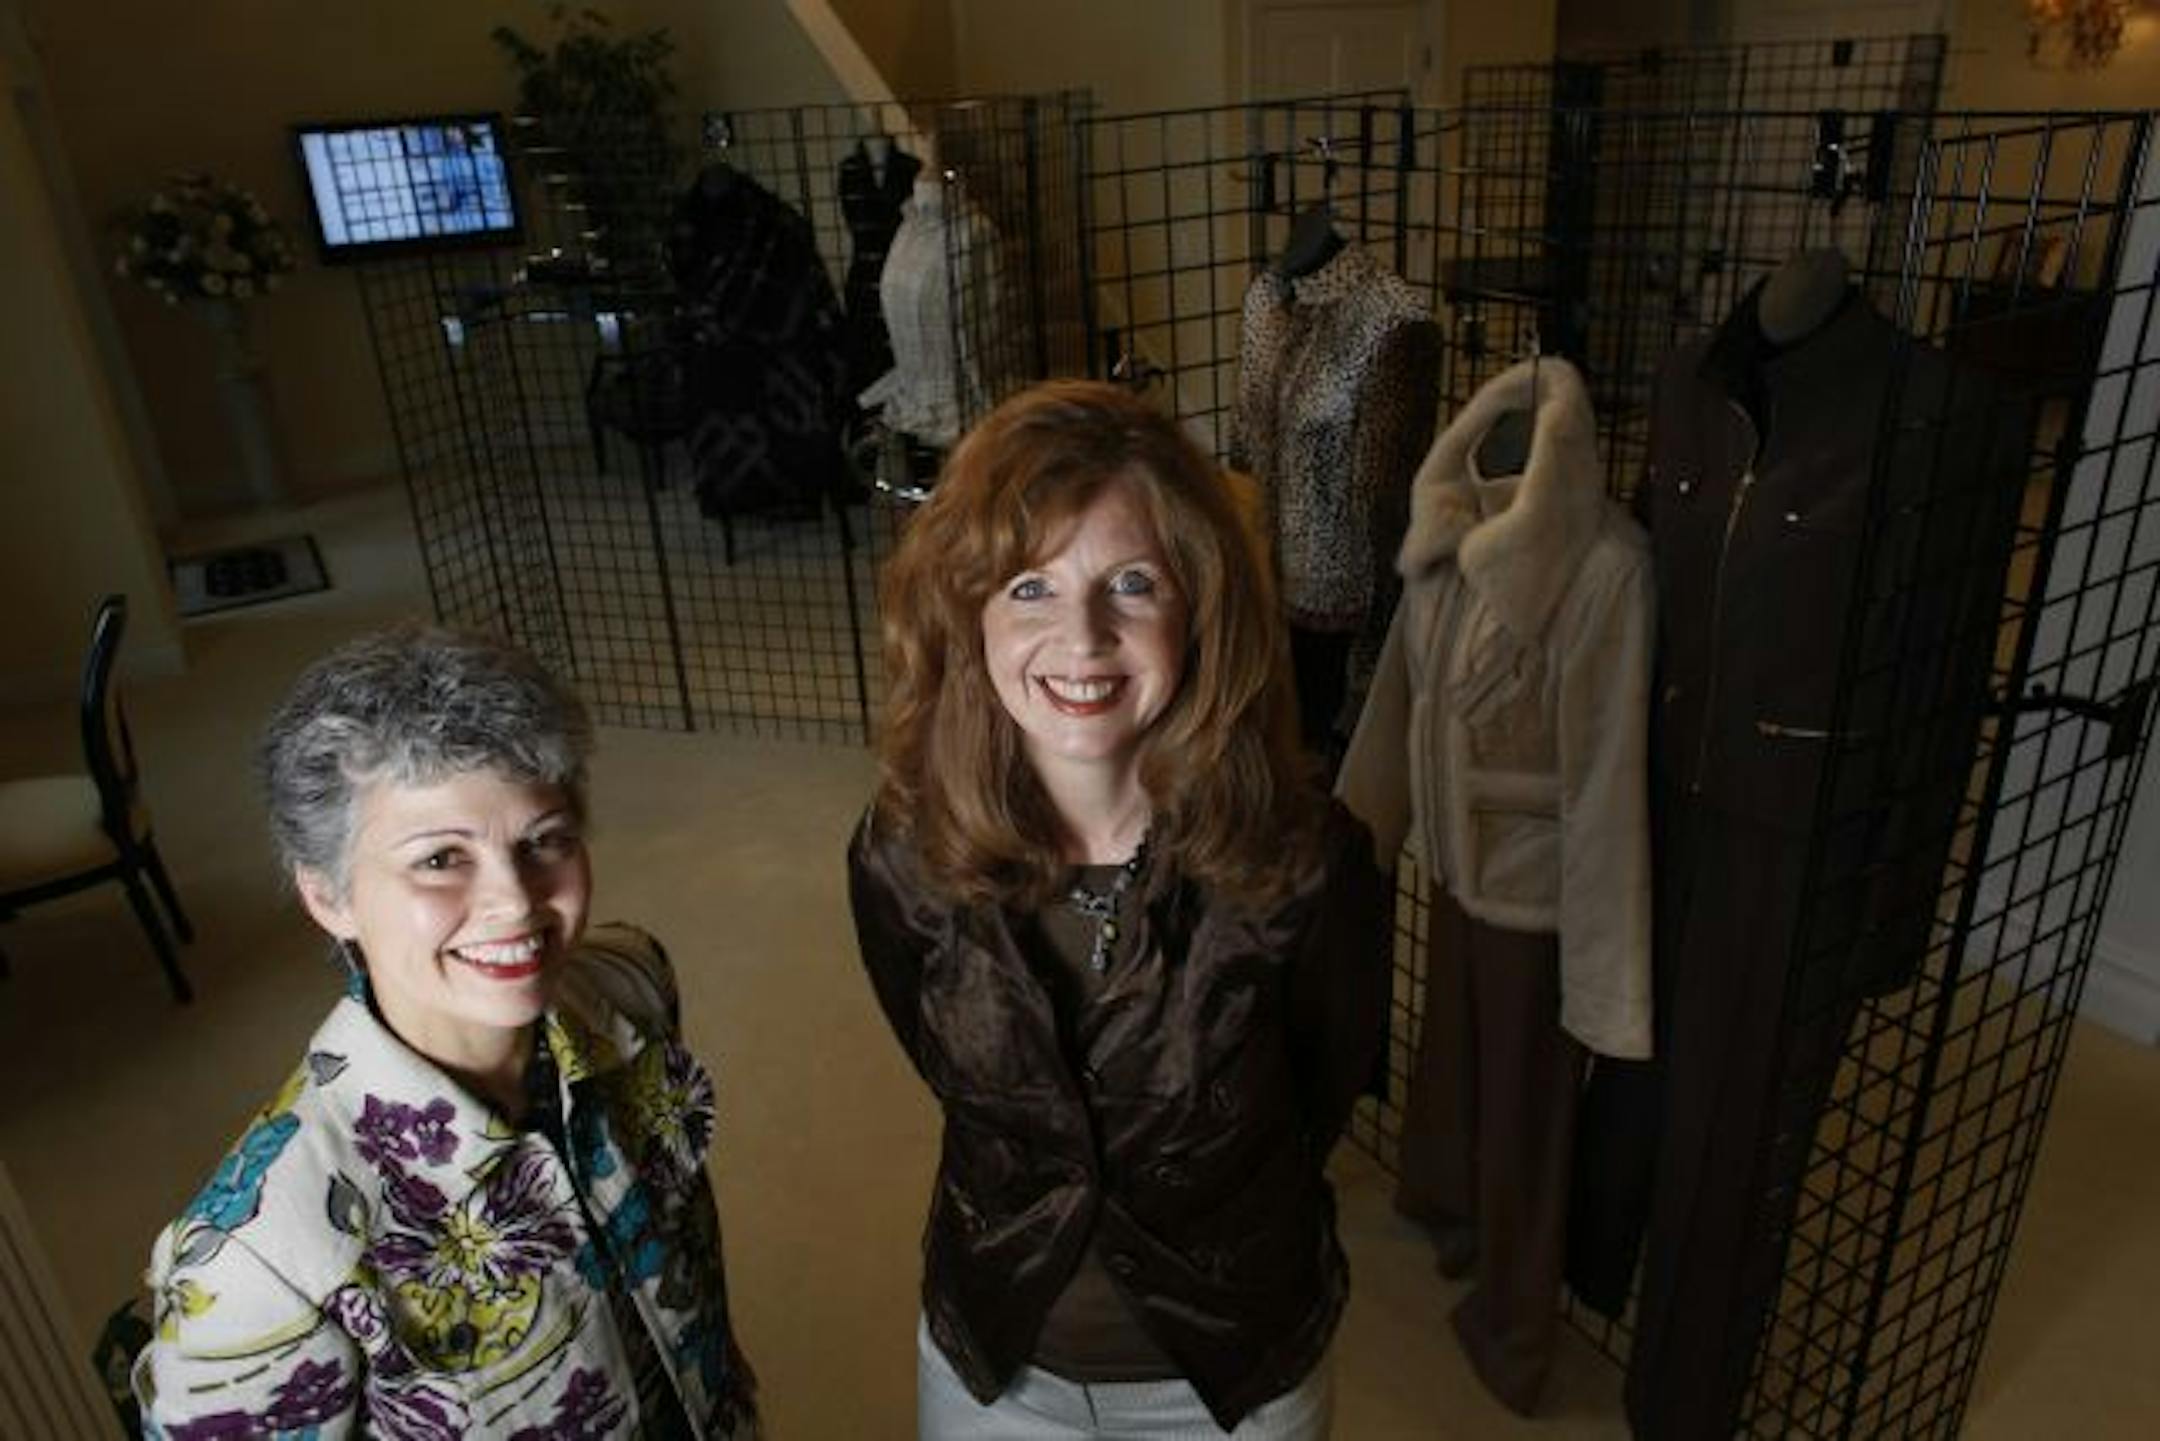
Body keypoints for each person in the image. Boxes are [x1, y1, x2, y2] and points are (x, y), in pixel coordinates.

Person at [849, 380, 1393, 1438]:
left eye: (1132, 583)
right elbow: (936, 1057)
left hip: (1235, 1380)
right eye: (1029, 588)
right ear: (968, 615)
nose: (1084, 636)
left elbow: (1319, 1098)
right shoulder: (902, 852)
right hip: (995, 1364)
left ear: (1201, 603)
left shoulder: (1311, 863)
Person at [134, 626, 757, 1438]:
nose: (514, 901)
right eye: (439, 858)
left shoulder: (630, 987)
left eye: (544, 841)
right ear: (328, 895)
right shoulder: (259, 1262)